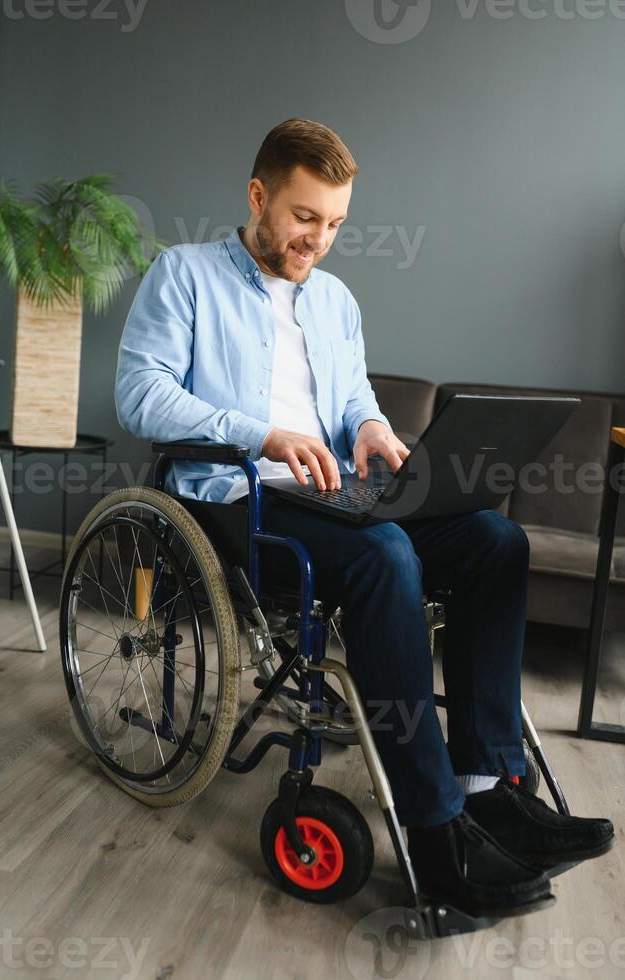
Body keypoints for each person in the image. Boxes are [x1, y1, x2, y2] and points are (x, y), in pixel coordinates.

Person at [115, 118, 614, 918]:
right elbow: (140, 395)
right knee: (385, 554)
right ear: (258, 196)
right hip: (236, 497)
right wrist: (264, 433)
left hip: (334, 496)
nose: (319, 239)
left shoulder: (336, 300)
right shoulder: (184, 276)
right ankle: (435, 827)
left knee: (495, 539)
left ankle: (488, 788)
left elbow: (350, 401)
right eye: (305, 217)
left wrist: (374, 430)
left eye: (336, 225)